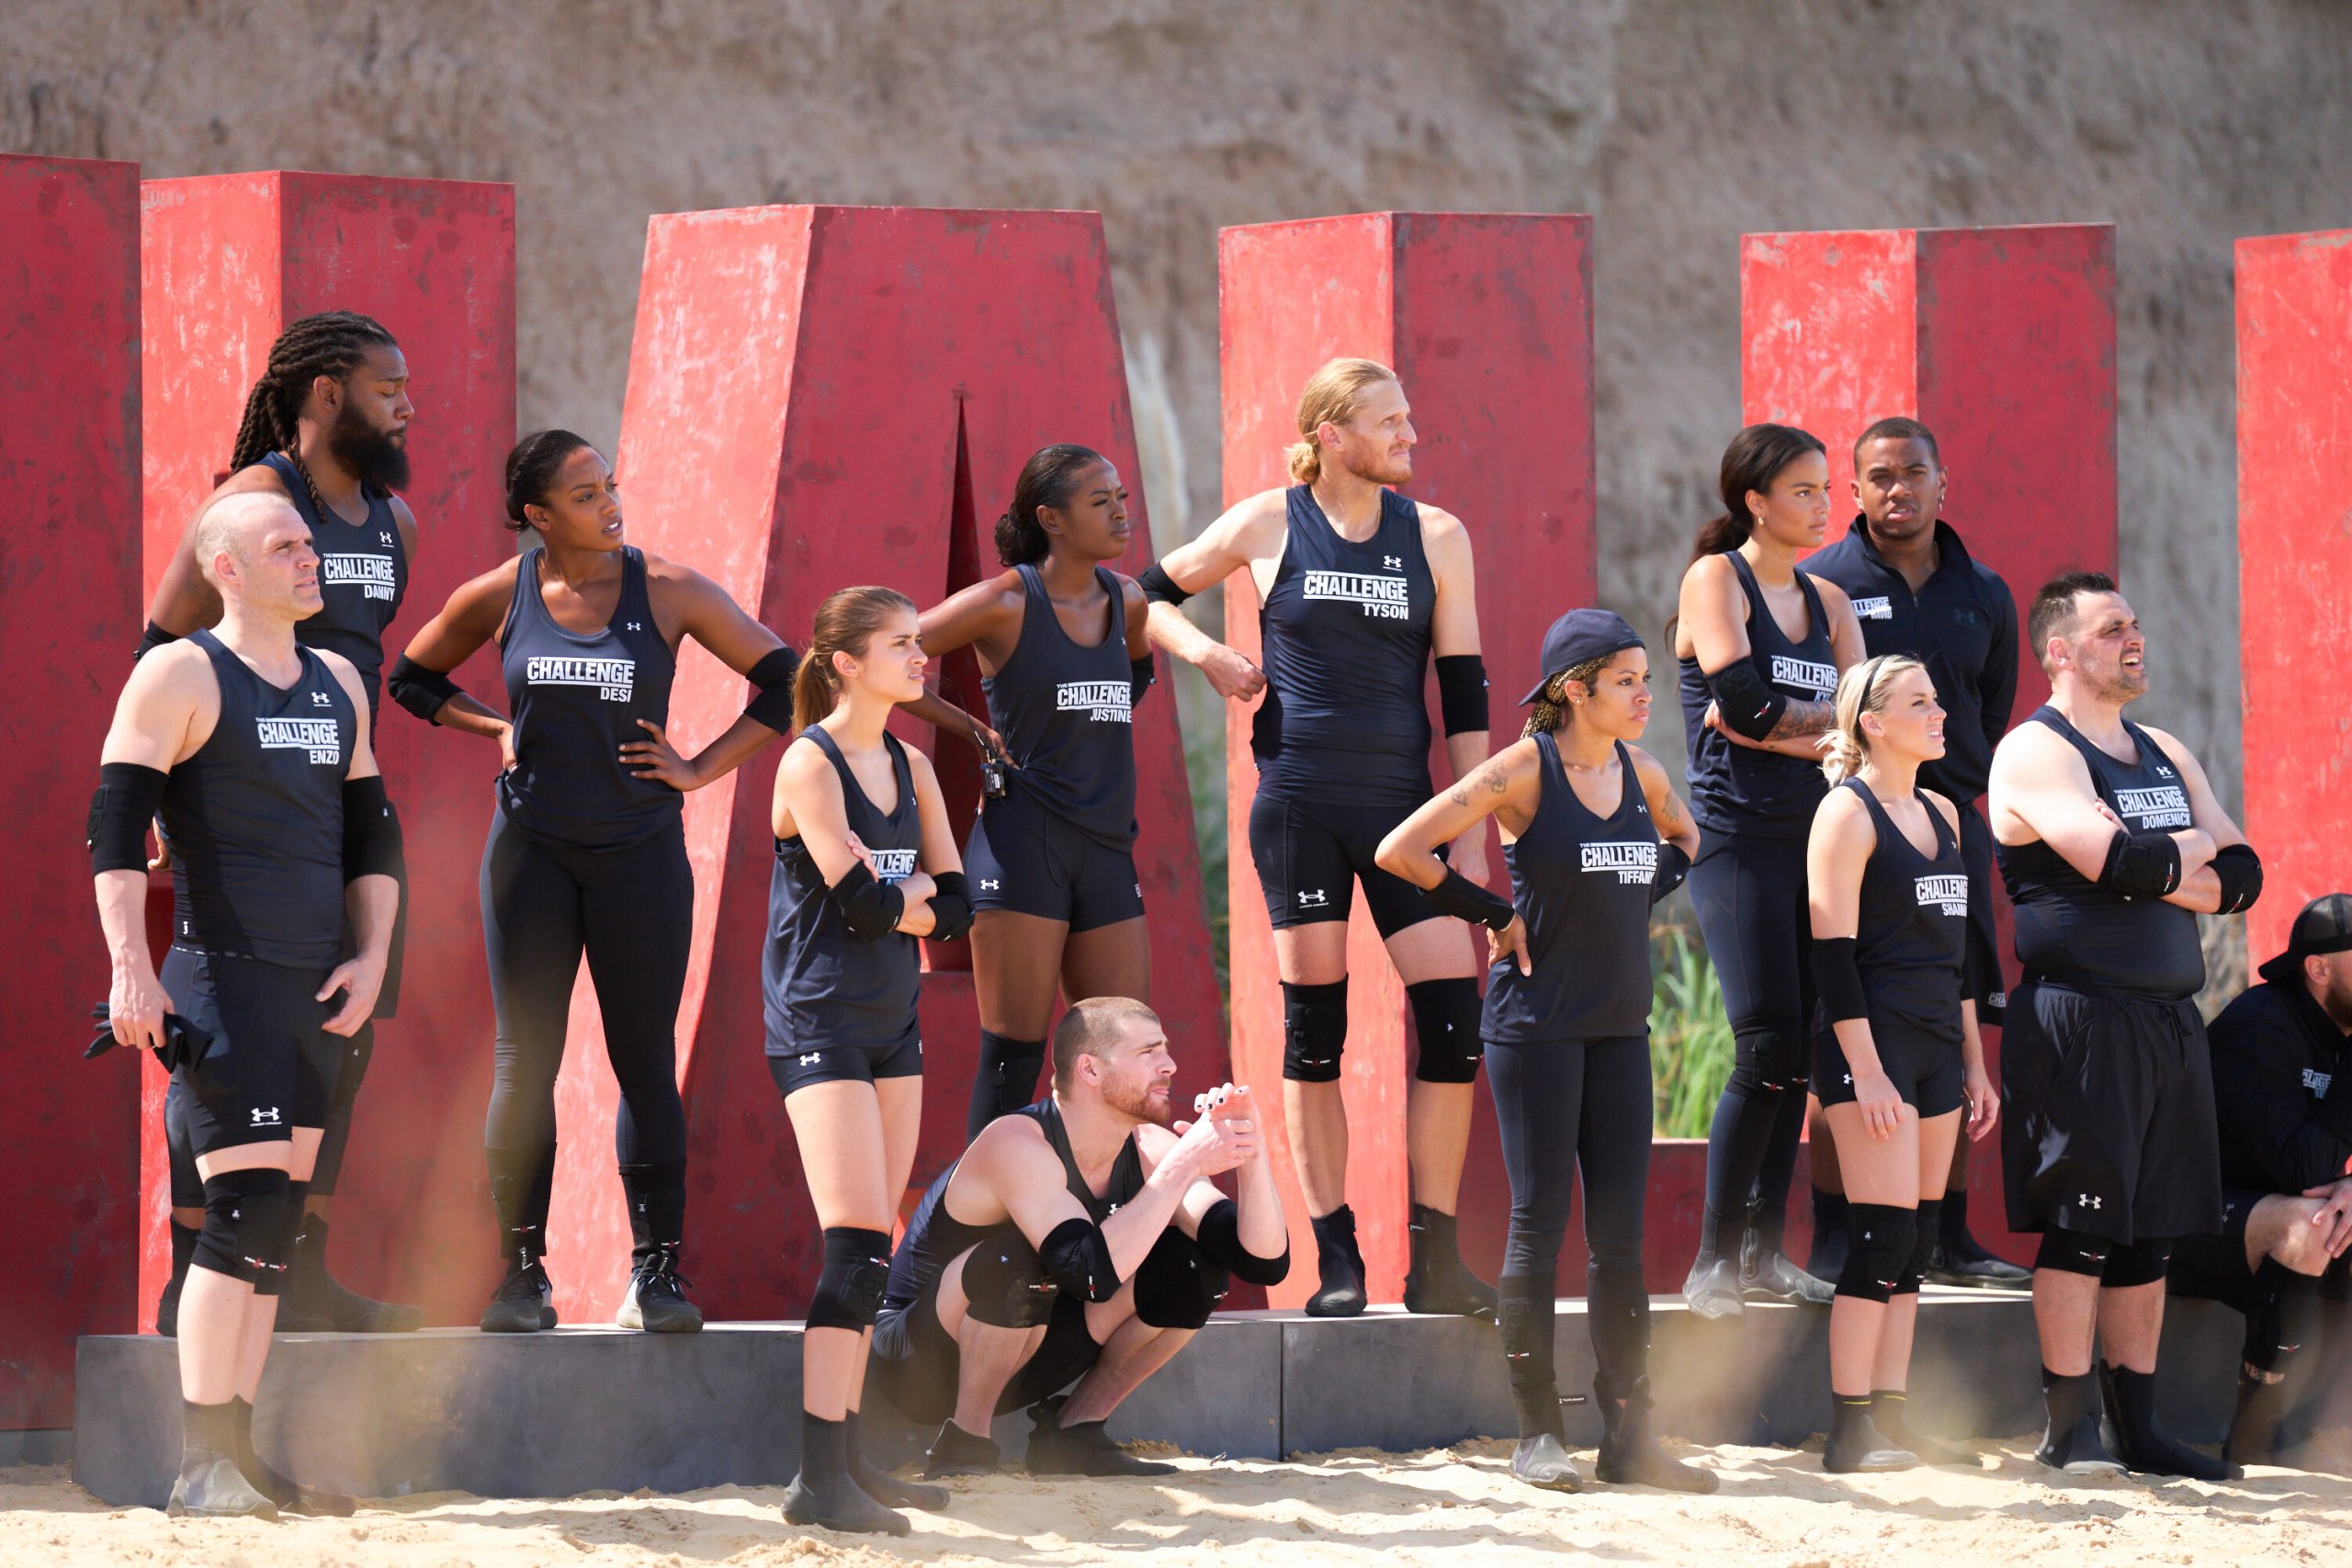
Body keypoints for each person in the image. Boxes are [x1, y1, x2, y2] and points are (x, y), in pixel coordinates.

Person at [387, 431, 797, 1337]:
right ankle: (520, 1276)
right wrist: (490, 726)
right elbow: (410, 678)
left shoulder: (673, 589)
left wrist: (698, 767)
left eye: (609, 485)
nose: (610, 503)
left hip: (638, 857)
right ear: (537, 516)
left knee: (643, 1063)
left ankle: (657, 1276)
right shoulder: (504, 593)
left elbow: (785, 679)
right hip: (528, 854)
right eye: (584, 494)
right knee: (520, 1063)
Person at [1137, 357, 1494, 1317]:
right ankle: (1336, 1261)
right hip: (1297, 809)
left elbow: (1463, 687)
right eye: (1390, 423)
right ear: (1332, 435)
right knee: (1315, 1036)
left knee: (1456, 1030)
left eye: (1409, 421)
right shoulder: (1263, 522)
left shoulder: (1437, 536)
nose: (1410, 439)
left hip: (1406, 817)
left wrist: (1471, 825)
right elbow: (1145, 594)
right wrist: (1207, 652)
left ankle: (1436, 1261)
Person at [91, 491, 399, 1516]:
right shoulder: (179, 671)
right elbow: (114, 832)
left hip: (318, 987)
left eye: (312, 543)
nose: (313, 558)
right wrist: (131, 972)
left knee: (274, 1228)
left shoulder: (340, 682)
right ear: (224, 566)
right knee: (239, 1213)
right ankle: (199, 1464)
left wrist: (372, 957)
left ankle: (238, 1451)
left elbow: (373, 839)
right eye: (287, 545)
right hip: (224, 979)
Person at [1375, 609, 1715, 1495]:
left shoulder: (1643, 771)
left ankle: (1631, 1436)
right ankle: (1538, 1434)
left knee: (1621, 1240)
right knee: (1538, 1223)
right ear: (1576, 689)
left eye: (1647, 679)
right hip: (1536, 1028)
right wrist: (1494, 912)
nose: (1647, 695)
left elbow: (1689, 840)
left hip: (1620, 1028)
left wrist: (1647, 888)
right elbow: (1399, 849)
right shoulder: (1525, 767)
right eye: (1629, 681)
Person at [140, 310, 423, 1336]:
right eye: (388, 389)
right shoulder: (253, 503)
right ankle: (192, 1268)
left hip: (338, 801)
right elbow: (159, 645)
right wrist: (167, 792)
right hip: (242, 807)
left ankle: (299, 1268)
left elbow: (369, 667)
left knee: (340, 1033)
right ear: (323, 393)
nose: (407, 407)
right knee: (223, 1045)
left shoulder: (396, 523)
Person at [1987, 570, 2261, 1478]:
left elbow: (2243, 874)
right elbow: (2108, 861)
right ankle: (2069, 1431)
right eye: (2111, 630)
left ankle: (2137, 1431)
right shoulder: (2037, 752)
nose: (2132, 640)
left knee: (2150, 1231)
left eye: (2134, 625)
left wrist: (2162, 860)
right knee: (2085, 1221)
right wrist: (2175, 857)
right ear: (2059, 652)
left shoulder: (2163, 750)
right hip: (2082, 1021)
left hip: (2168, 1021)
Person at [867, 998, 1288, 1485]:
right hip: (917, 1366)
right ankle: (966, 1441)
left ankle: (1072, 1433)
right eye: (1149, 1052)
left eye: (1166, 1050)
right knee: (1019, 1260)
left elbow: (1260, 1262)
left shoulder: (1150, 1147)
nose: (1170, 1065)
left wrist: (1251, 1152)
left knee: (1194, 1267)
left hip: (1033, 1348)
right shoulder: (1018, 1143)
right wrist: (1184, 1165)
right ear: (1089, 1068)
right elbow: (1083, 1270)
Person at [763, 585, 971, 1535]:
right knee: (850, 1247)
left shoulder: (913, 765)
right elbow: (860, 910)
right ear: (845, 661)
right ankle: (816, 1482)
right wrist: (915, 895)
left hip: (893, 1020)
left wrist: (914, 898)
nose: (919, 658)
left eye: (918, 643)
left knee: (874, 1250)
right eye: (900, 645)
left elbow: (960, 914)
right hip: (820, 1020)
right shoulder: (808, 764)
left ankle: (850, 1463)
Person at [1802, 418, 2027, 1292]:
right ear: (1854, 493)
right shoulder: (1826, 582)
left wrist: (1943, 784)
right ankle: (1835, 1232)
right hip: (1856, 820)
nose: (1898, 490)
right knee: (1845, 1010)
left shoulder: (1986, 593)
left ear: (1944, 482)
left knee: (1954, 1005)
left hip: (1950, 821)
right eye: (1880, 477)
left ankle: (1950, 1235)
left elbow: (1990, 709)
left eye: (1914, 474)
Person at [896, 446, 1159, 1140]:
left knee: (1127, 1054)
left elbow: (1134, 676)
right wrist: (968, 726)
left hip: (1107, 850)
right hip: (1021, 850)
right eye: (1100, 502)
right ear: (1052, 518)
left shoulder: (1127, 600)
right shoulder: (1006, 601)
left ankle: (1104, 1226)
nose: (1120, 512)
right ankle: (989, 1236)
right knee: (1014, 1064)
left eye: (1122, 497)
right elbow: (887, 653)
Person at [1674, 424, 1866, 1318]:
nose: (1823, 505)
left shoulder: (1829, 599)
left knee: (1796, 1052)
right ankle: (1711, 1260)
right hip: (1738, 843)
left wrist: (1786, 725)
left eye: (1826, 489)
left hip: (1819, 845)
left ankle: (1761, 1255)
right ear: (1754, 499)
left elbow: (1859, 726)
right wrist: (1819, 727)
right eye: (1802, 489)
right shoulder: (1717, 579)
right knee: (1761, 1041)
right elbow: (1737, 699)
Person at [1804, 655, 1999, 1473]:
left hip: (1932, 1049)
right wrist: (1869, 1070)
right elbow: (1832, 957)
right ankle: (1849, 1432)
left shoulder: (1948, 815)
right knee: (1880, 1237)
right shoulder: (1845, 815)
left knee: (1915, 1240)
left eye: (1937, 696)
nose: (1940, 710)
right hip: (1868, 1049)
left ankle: (1893, 1416)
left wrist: (1976, 1064)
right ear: (1872, 723)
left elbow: (1957, 963)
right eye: (1920, 701)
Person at [2167, 893, 2352, 1467]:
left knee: (2328, 1219)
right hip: (2190, 1223)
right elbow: (2302, 1171)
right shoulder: (2262, 1025)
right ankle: (2250, 1439)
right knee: (2312, 1225)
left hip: (2267, 1218)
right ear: (2319, 969)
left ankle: (2329, 1431)